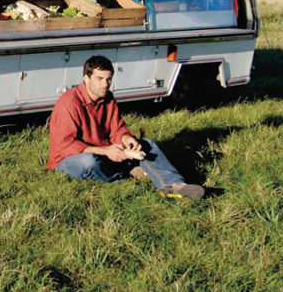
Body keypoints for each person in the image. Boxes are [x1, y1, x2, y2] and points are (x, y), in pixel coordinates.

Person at [47, 54, 206, 199]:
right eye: (99, 79)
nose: (105, 84)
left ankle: (175, 186)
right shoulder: (69, 103)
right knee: (89, 162)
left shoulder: (107, 98)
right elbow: (66, 145)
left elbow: (116, 128)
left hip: (103, 151)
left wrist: (126, 138)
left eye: (108, 79)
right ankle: (123, 176)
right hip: (67, 160)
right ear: (86, 79)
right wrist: (105, 151)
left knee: (147, 144)